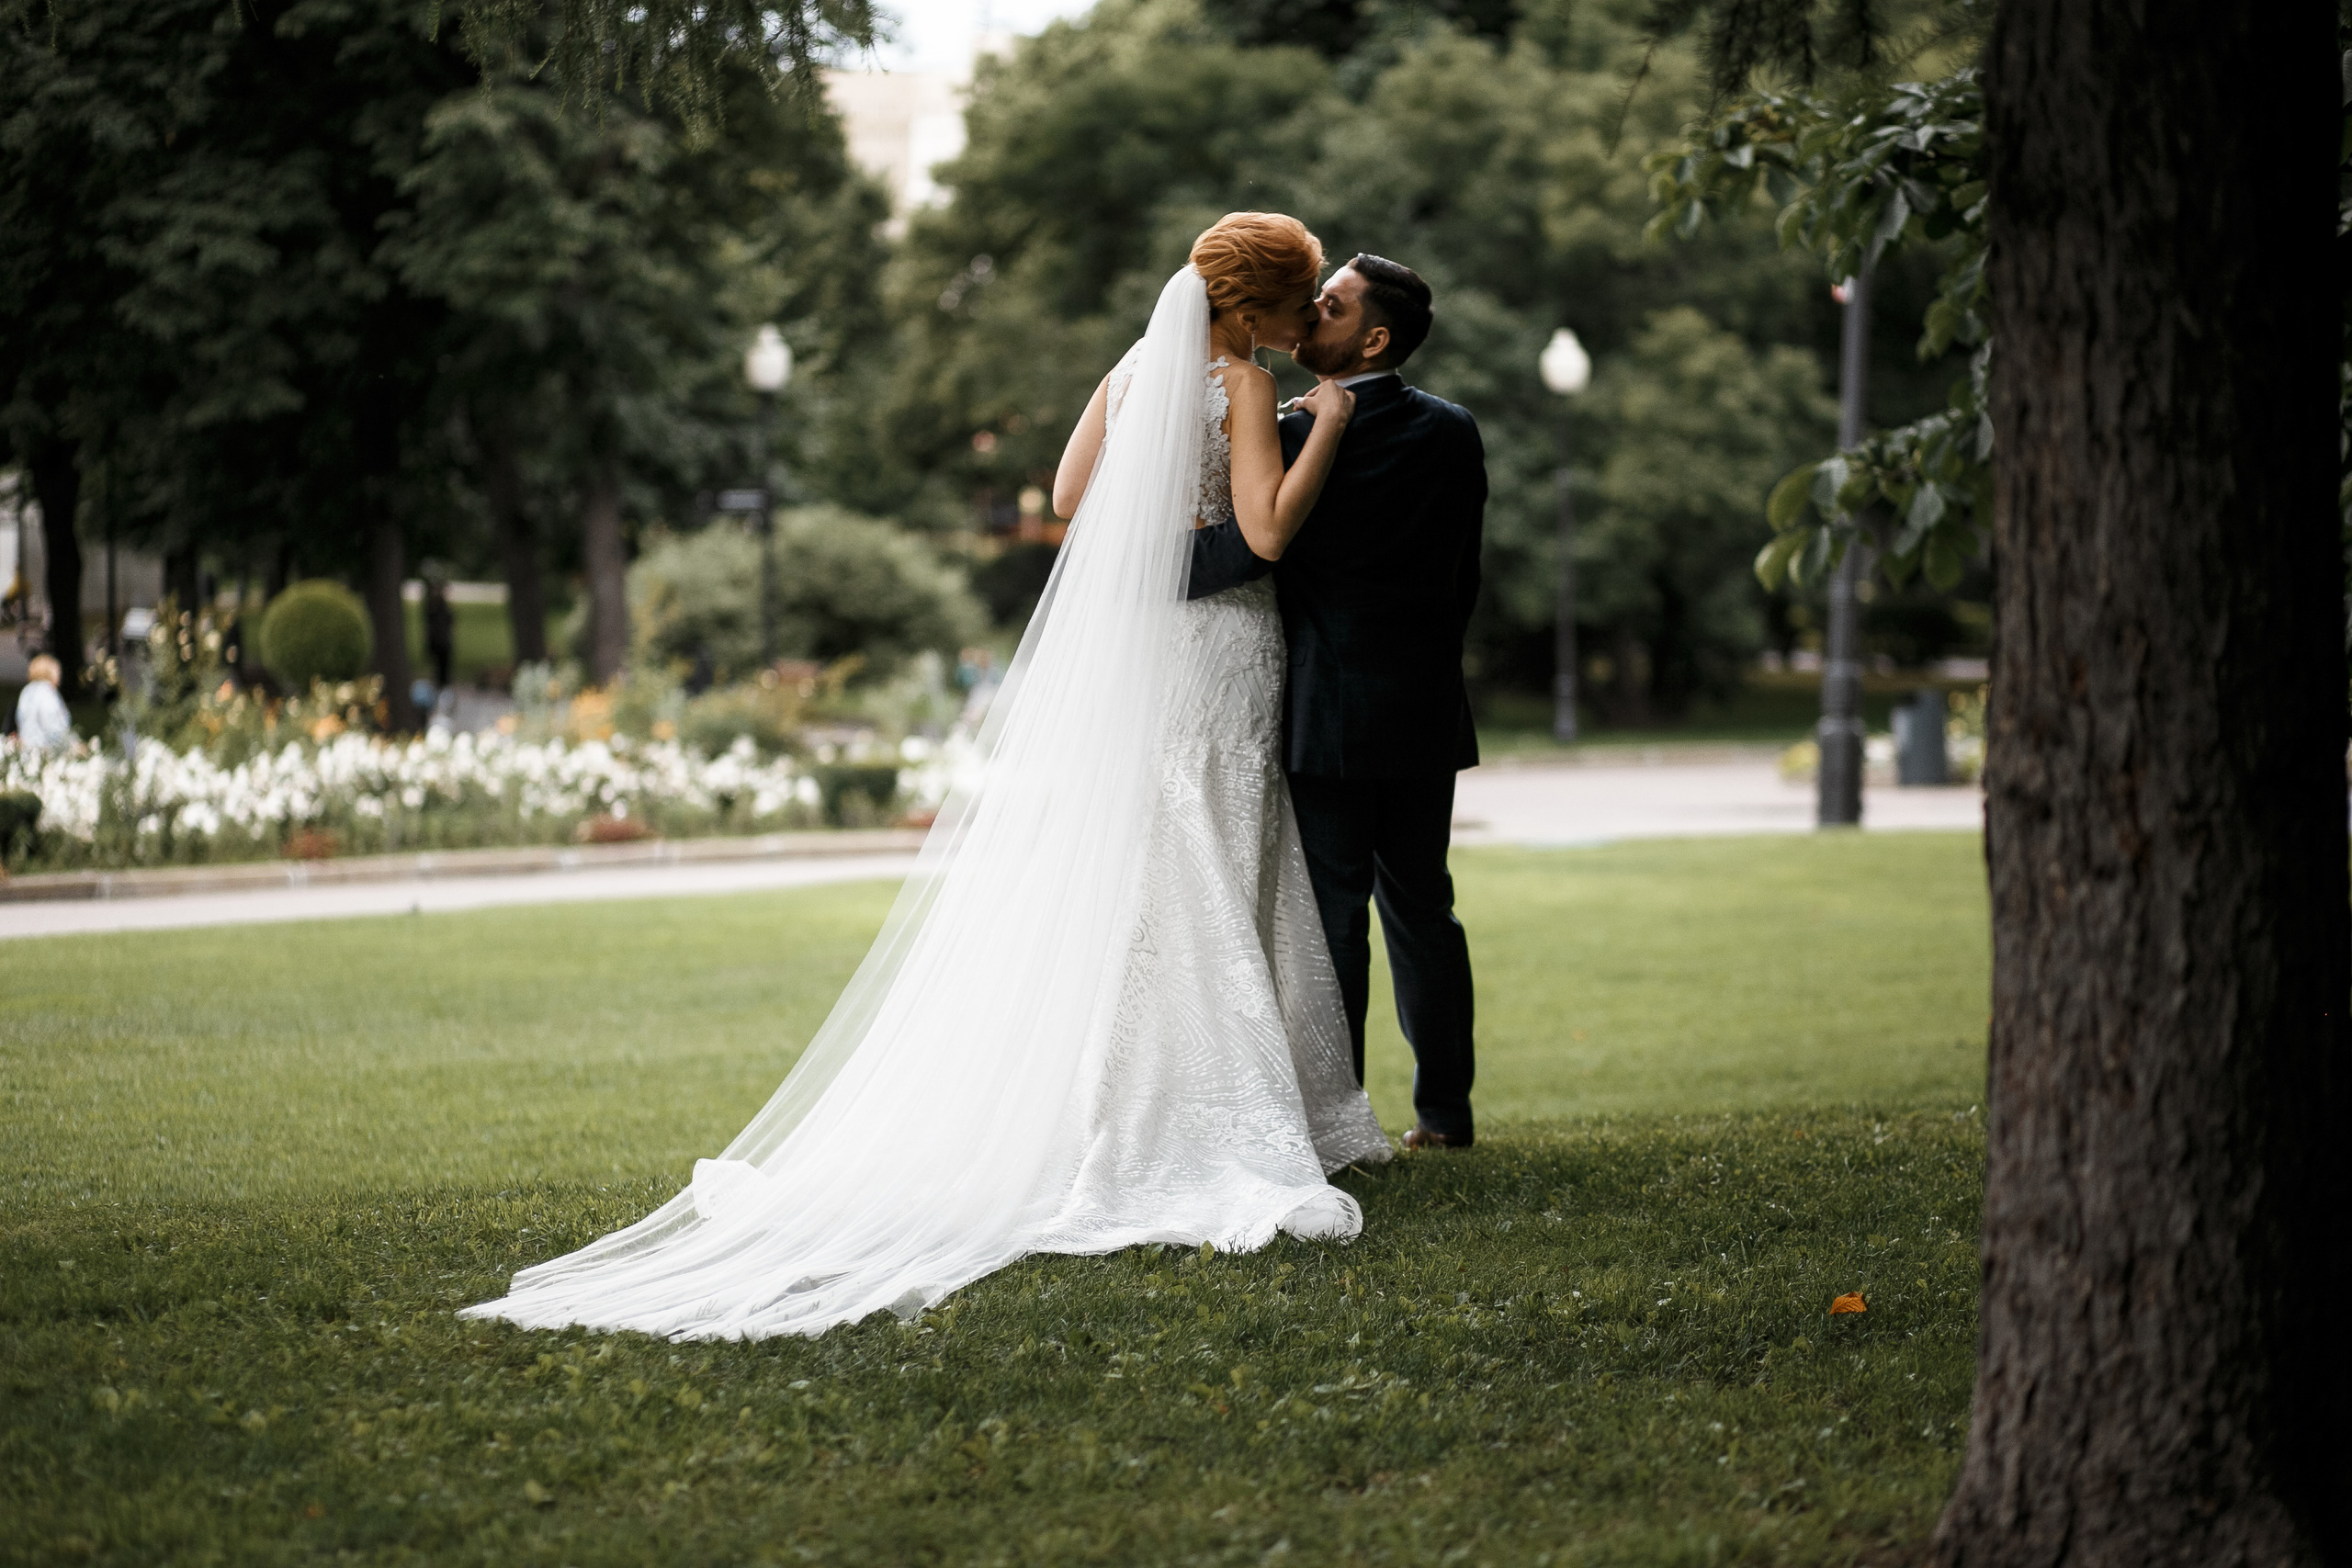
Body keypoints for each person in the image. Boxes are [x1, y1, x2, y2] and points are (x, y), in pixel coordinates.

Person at [465, 213, 1391, 1344]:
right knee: (1211, 856)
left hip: (1150, 657)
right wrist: (1328, 430)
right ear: (1249, 312)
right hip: (1222, 650)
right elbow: (1265, 534)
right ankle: (1207, 1124)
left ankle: (1125, 1105)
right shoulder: (1243, 386)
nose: (1304, 326)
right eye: (1298, 305)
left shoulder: (1130, 371)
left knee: (1153, 866)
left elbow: (1064, 501)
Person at [1185, 255, 1487, 1151]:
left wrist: (1132, 568)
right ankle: (1445, 1117)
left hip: (1327, 710)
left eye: (1332, 304)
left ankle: (1338, 1124)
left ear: (1374, 336)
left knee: (1332, 925)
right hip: (1425, 705)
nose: (1311, 311)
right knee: (1424, 909)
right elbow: (1462, 574)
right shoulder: (1453, 430)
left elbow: (1249, 551)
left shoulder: (1292, 428)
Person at [11, 654, 74, 752]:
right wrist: (70, 744)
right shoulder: (48, 692)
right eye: (57, 671)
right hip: (45, 749)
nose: (60, 675)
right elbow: (52, 723)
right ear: (48, 672)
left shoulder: (27, 691)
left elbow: (19, 718)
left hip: (26, 748)